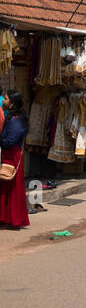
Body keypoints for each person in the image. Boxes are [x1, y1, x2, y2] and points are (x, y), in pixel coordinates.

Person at [0, 91, 29, 229]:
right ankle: (6, 218)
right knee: (7, 188)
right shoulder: (14, 119)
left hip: (12, 156)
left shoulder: (15, 121)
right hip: (10, 155)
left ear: (11, 104)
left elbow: (9, 141)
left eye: (5, 99)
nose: (3, 101)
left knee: (11, 188)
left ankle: (13, 219)